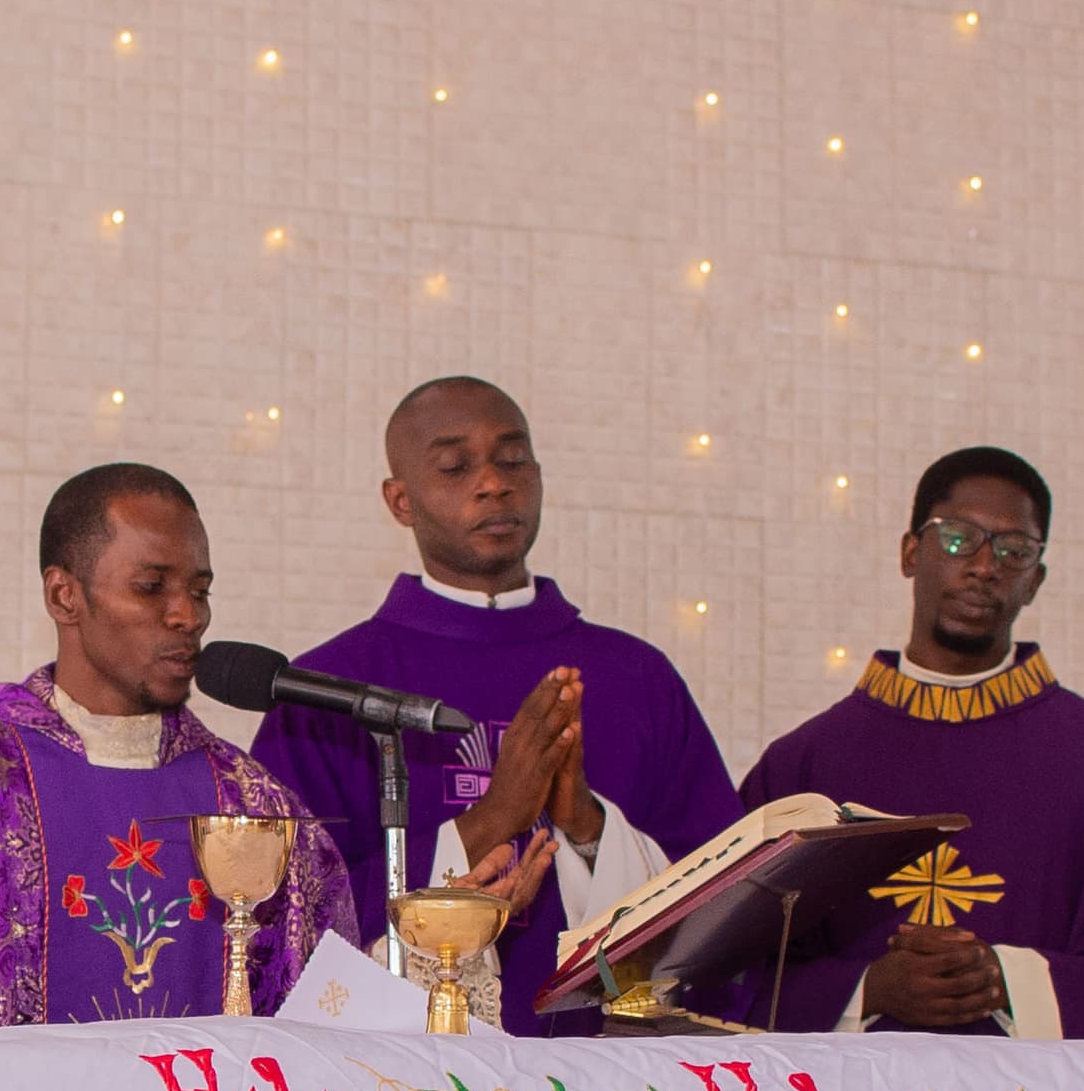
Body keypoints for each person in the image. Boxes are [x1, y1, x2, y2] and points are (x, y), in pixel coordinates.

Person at [250, 379, 741, 1033]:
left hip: (610, 1079)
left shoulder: (637, 677)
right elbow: (281, 927)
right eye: (455, 467)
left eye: (513, 460)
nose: (493, 483)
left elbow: (730, 909)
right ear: (401, 500)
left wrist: (590, 831)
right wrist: (491, 820)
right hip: (398, 1087)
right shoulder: (328, 690)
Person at [0, 462, 382, 1028]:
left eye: (199, 591)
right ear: (64, 595)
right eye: (151, 587)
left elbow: (326, 1040)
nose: (188, 616)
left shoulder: (254, 809)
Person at [738, 445, 1084, 1038]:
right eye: (959, 538)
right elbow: (715, 969)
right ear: (911, 553)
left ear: (1035, 581)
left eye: (1014, 551)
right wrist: (869, 990)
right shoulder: (802, 765)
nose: (985, 567)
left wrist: (1007, 980)